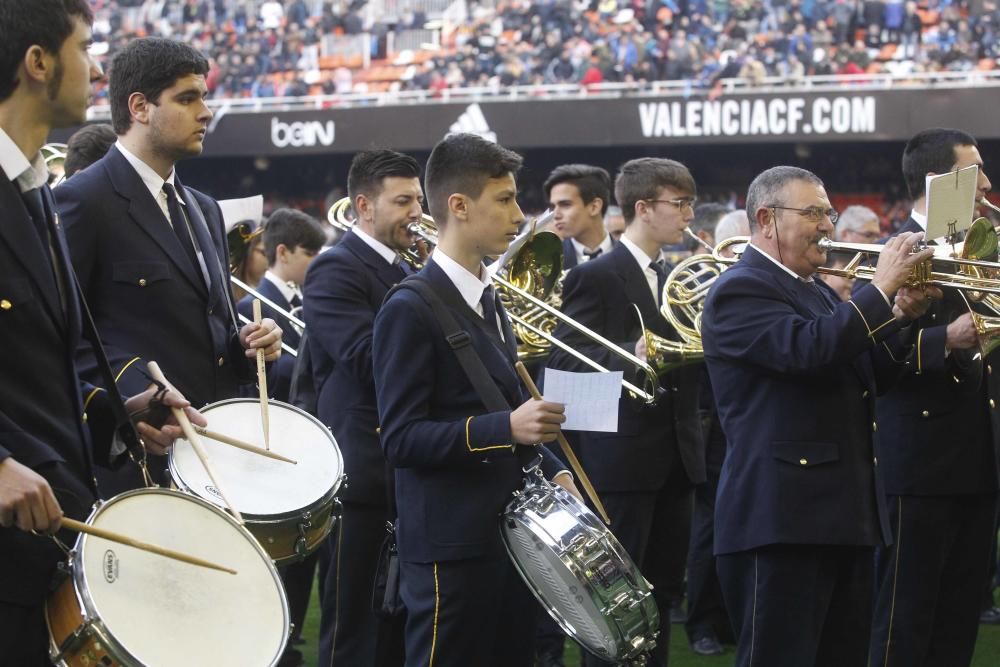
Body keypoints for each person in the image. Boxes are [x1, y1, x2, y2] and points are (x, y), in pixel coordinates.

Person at [0, 2, 205, 661]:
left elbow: (46, 362)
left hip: (42, 544)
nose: (95, 69)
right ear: (37, 63)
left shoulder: (35, 189)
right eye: (84, 48)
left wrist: (123, 411)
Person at [701, 165, 936, 667]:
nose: (827, 225)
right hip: (782, 520)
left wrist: (898, 318)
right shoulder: (738, 288)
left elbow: (870, 376)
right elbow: (806, 351)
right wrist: (880, 290)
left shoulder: (816, 289)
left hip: (842, 516)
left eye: (828, 212)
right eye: (813, 213)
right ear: (766, 219)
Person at [372, 133, 578, 667]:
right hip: (447, 549)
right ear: (459, 207)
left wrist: (553, 467)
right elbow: (400, 439)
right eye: (505, 199)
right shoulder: (409, 307)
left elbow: (499, 400)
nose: (519, 213)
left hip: (506, 538)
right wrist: (505, 429)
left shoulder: (491, 298)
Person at [55, 37, 283, 414]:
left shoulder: (204, 208)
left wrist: (248, 344)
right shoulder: (82, 200)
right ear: (140, 107)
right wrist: (143, 392)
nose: (205, 112)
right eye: (187, 98)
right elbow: (66, 339)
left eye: (204, 97)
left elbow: (212, 330)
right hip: (140, 449)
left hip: (215, 443)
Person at [546, 157, 706, 667]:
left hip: (677, 459)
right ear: (643, 208)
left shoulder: (678, 273)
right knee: (616, 607)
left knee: (659, 599)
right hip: (622, 463)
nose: (688, 215)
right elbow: (560, 357)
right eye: (679, 204)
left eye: (690, 204)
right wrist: (631, 352)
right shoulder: (597, 276)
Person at [869, 128, 1000, 667]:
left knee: (959, 617)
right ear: (938, 182)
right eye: (975, 171)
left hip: (979, 459)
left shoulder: (984, 244)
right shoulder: (894, 252)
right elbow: (871, 355)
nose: (988, 183)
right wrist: (946, 339)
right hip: (919, 466)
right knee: (905, 618)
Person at [303, 149, 421, 667]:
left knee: (398, 622)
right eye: (403, 201)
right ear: (364, 207)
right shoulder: (334, 267)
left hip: (406, 468)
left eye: (418, 198)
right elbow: (365, 358)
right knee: (355, 626)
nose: (417, 211)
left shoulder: (410, 267)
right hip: (362, 473)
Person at [682, 202, 733, 657]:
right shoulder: (710, 284)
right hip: (707, 422)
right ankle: (700, 620)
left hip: (731, 420)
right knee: (708, 528)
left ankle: (722, 617)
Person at [237, 207, 324, 400]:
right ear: (283, 253)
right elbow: (255, 385)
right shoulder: (250, 305)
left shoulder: (307, 297)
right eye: (310, 253)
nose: (318, 261)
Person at [544, 163, 615, 268]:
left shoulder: (632, 258)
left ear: (594, 207)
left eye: (565, 205)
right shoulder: (547, 263)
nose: (556, 215)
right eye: (553, 206)